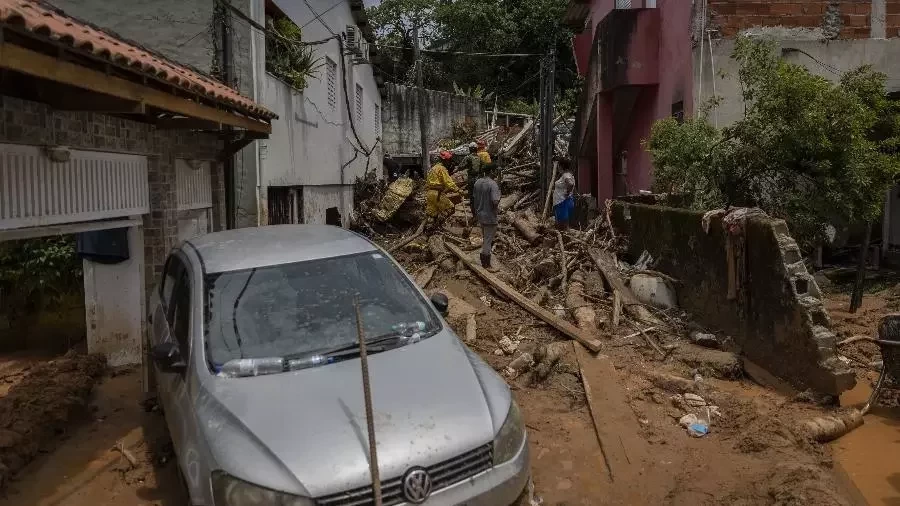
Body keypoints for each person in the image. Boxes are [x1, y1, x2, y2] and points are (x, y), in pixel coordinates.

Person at [472, 163, 501, 270]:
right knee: (488, 240)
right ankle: (486, 264)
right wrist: (499, 196)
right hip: (490, 216)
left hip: (480, 214)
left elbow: (474, 199)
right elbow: (495, 201)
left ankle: (484, 259)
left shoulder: (477, 182)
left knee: (485, 238)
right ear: (492, 172)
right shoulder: (493, 184)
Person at [425, 150, 460, 224]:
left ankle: (430, 231)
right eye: (449, 160)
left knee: (432, 215)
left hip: (430, 193)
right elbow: (448, 182)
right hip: (437, 194)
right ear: (445, 160)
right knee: (451, 209)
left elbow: (428, 182)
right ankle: (438, 225)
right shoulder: (442, 169)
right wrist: (458, 190)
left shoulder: (433, 168)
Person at [458, 143, 483, 218]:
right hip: (479, 179)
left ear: (471, 149)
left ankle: (475, 216)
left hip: (472, 179)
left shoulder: (468, 157)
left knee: (472, 197)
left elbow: (460, 166)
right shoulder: (479, 158)